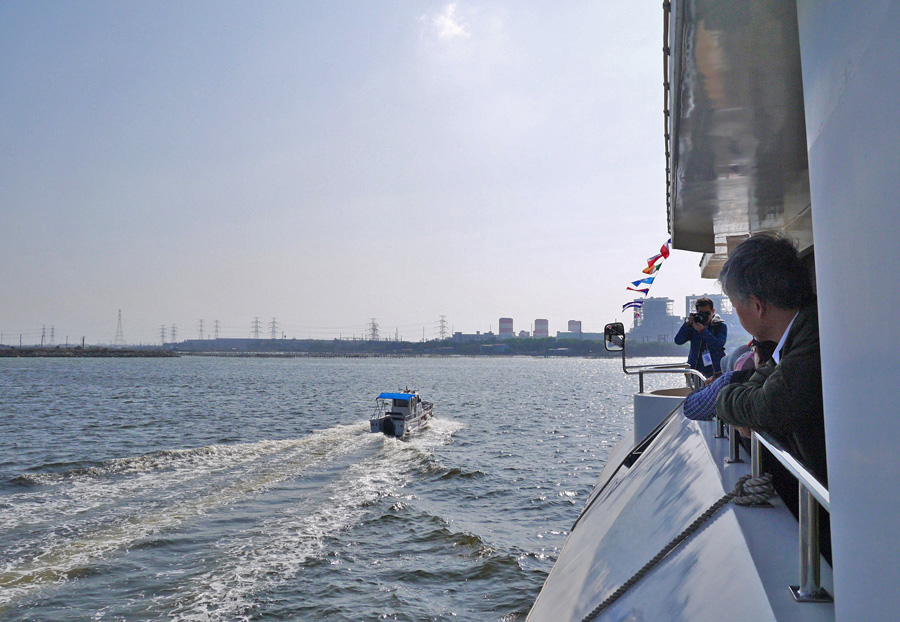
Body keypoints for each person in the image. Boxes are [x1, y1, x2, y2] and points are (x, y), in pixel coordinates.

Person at [714, 233, 826, 485]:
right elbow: (758, 388)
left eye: (734, 305)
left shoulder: (816, 336)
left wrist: (729, 402)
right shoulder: (796, 335)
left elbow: (769, 406)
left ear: (756, 306)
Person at [683, 340, 776, 421]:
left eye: (753, 350)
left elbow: (690, 408)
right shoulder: (785, 380)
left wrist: (712, 386)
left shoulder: (729, 381)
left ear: (758, 357)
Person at [673, 297, 728, 378]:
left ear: (713, 311)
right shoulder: (693, 326)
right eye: (701, 313)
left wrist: (703, 331)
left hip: (715, 371)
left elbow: (718, 345)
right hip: (696, 370)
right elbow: (678, 340)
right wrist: (687, 325)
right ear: (697, 312)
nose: (704, 316)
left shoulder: (720, 326)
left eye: (707, 313)